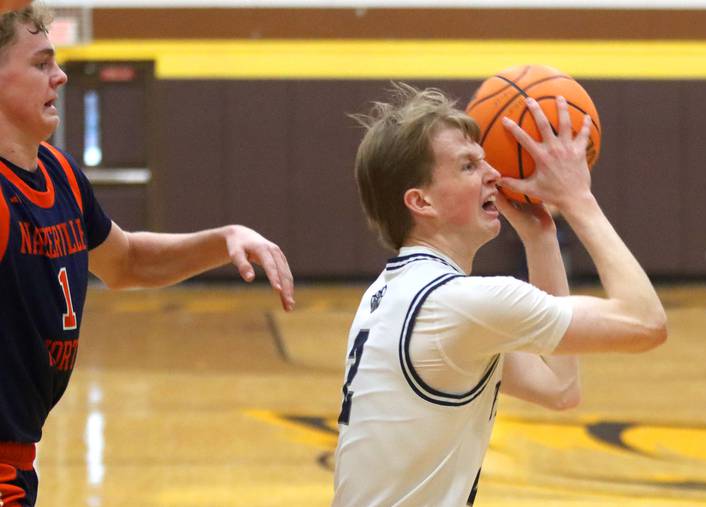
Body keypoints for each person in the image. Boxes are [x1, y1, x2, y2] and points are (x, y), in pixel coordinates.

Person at [0, 4, 294, 506]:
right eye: (41, 63)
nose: (60, 75)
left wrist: (221, 240)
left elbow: (128, 261)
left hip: (21, 456)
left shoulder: (60, 174)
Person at [332, 83, 667, 506]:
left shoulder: (390, 293)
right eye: (469, 166)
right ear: (421, 201)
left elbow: (559, 389)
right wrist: (579, 200)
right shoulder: (457, 305)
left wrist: (540, 238)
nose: (493, 173)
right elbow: (646, 324)